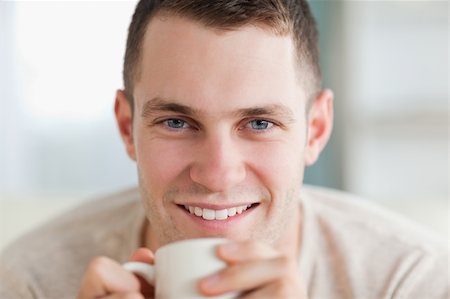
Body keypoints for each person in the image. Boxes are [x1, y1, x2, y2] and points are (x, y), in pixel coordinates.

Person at [0, 0, 447, 298]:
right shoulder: (30, 281)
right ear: (126, 127)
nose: (217, 174)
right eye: (176, 122)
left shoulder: (410, 282)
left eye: (259, 123)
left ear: (315, 130)